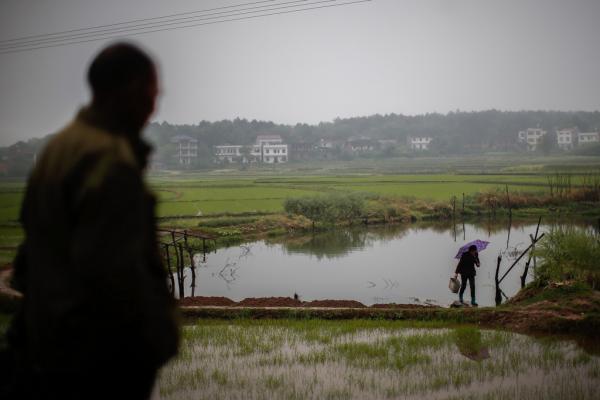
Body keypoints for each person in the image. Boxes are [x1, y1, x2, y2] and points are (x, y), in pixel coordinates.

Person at [1, 43, 179, 399]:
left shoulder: (61, 147)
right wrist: (156, 339)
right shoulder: (106, 159)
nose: (153, 105)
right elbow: (113, 274)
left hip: (48, 342)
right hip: (95, 359)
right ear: (128, 91)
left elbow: (34, 250)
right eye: (151, 92)